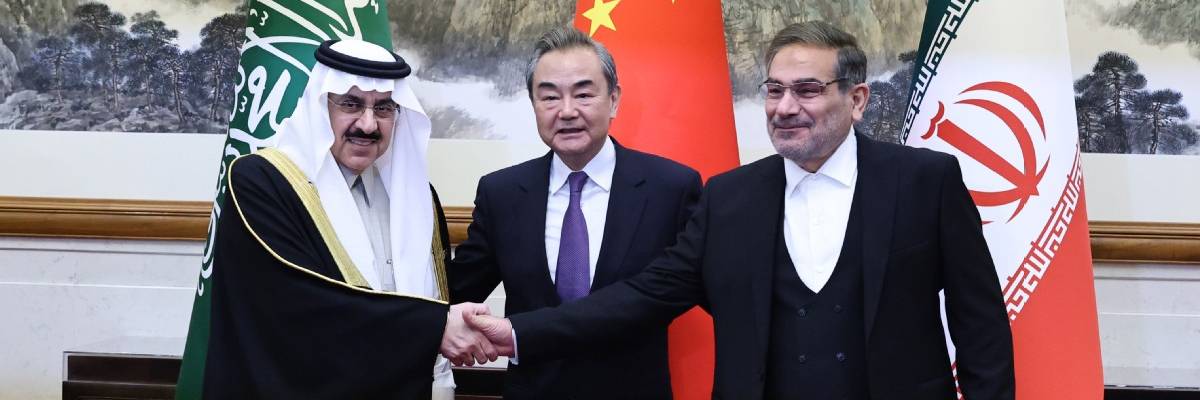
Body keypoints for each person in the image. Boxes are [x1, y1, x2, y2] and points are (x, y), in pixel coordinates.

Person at [463, 21, 1016, 400]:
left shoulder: (926, 181)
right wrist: (517, 335)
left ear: (857, 99)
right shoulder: (730, 197)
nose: (784, 108)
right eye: (774, 91)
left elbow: (981, 323)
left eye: (806, 90)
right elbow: (644, 295)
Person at [202, 39, 493, 399]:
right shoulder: (262, 182)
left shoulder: (417, 197)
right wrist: (434, 328)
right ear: (320, 105)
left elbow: (438, 294)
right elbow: (301, 308)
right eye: (351, 104)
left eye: (384, 108)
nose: (368, 124)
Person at [445, 27, 701, 399]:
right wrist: (444, 322)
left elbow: (670, 295)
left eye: (583, 94)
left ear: (613, 100)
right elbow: (459, 288)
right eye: (549, 97)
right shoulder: (501, 193)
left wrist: (515, 333)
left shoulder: (671, 188)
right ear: (533, 104)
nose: (567, 112)